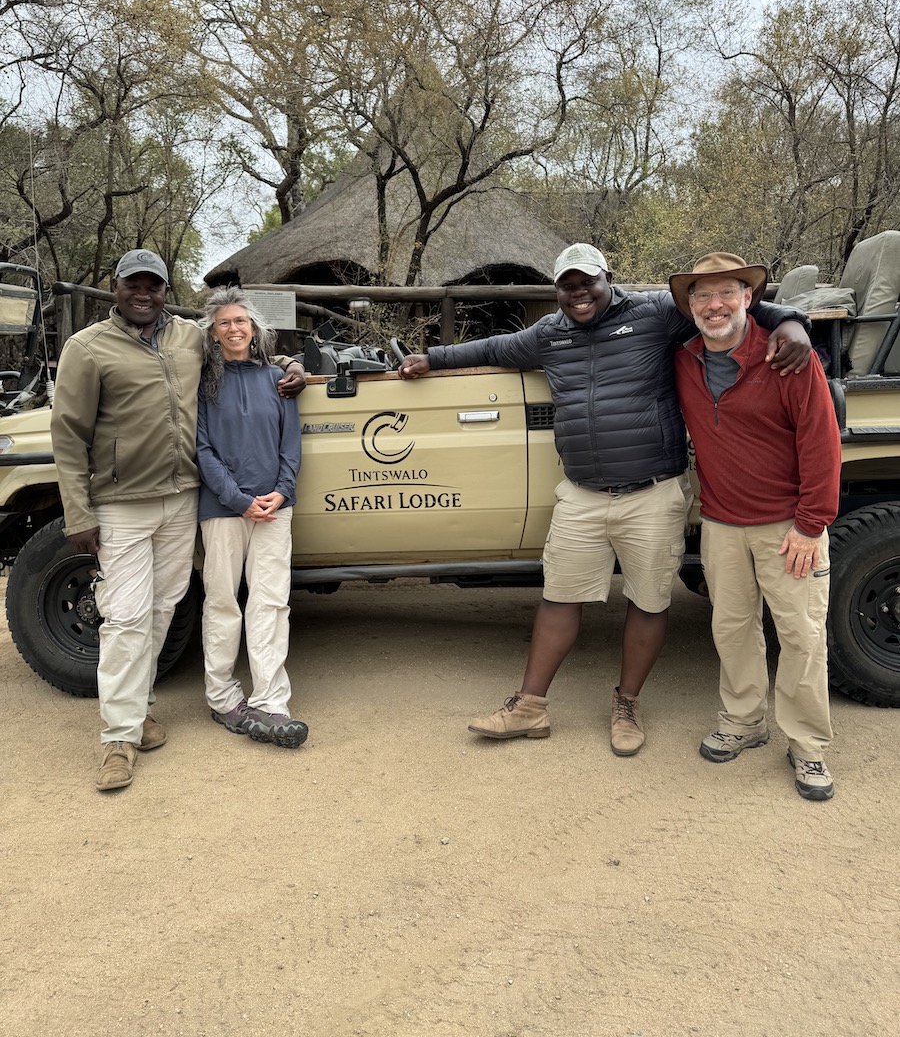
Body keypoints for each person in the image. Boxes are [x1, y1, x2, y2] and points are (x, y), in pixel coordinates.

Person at [399, 243, 811, 755]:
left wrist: (793, 322)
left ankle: (627, 704)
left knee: (648, 599)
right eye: (567, 286)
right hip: (582, 494)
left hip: (652, 493)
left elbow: (726, 308)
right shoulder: (549, 334)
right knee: (558, 596)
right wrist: (431, 357)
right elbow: (493, 348)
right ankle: (529, 706)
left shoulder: (656, 313)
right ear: (558, 291)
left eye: (587, 282)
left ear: (607, 278)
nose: (579, 294)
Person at [51, 250, 306, 792]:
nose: (143, 294)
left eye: (154, 286)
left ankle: (139, 709)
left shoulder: (189, 337)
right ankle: (118, 737)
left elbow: (246, 343)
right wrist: (78, 511)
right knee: (124, 616)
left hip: (180, 499)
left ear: (166, 290)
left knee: (165, 607)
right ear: (116, 286)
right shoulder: (88, 347)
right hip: (121, 501)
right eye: (133, 285)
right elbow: (68, 435)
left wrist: (290, 367)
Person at [670, 252, 841, 800]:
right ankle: (744, 720)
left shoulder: (788, 359)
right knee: (732, 628)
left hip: (789, 526)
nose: (714, 305)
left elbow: (821, 442)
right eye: (702, 295)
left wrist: (812, 526)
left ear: (750, 298)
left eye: (727, 293)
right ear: (689, 304)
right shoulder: (685, 359)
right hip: (720, 522)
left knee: (801, 637)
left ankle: (808, 745)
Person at [196, 288, 307, 748]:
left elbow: (291, 445)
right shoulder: (202, 382)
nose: (235, 328)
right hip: (222, 507)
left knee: (270, 602)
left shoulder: (278, 380)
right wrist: (238, 499)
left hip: (274, 508)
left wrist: (280, 492)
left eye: (242, 321)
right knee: (223, 601)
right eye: (225, 322)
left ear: (255, 329)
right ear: (213, 332)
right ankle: (222, 695)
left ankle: (271, 701)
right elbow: (200, 449)